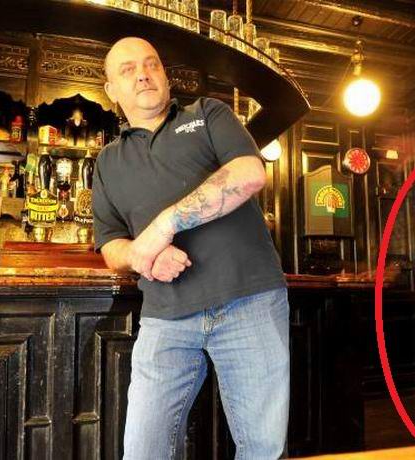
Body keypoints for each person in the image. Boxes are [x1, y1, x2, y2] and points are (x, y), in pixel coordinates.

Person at [93, 37, 290, 460]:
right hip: (164, 316)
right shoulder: (107, 162)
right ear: (111, 90)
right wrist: (144, 254)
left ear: (165, 76)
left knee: (262, 449)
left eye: (152, 64)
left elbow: (249, 173)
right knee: (143, 452)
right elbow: (110, 245)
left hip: (249, 300)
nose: (143, 74)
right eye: (128, 69)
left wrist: (163, 226)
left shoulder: (207, 114)